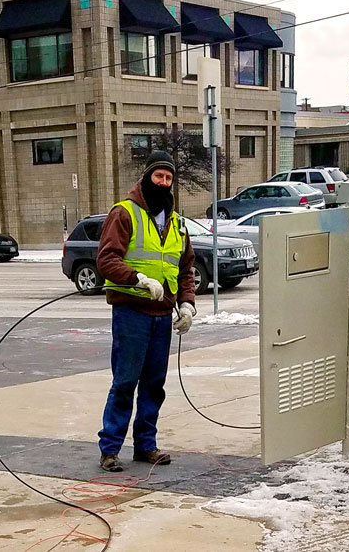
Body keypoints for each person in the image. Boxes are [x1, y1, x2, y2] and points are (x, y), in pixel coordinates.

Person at [95, 150, 196, 473]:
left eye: (168, 178)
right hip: (131, 313)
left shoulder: (177, 224)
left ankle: (145, 446)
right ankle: (110, 449)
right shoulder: (125, 213)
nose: (164, 183)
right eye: (159, 177)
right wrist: (137, 279)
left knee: (154, 384)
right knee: (125, 382)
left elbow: (186, 268)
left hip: (162, 317)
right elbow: (107, 260)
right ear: (147, 178)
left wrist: (187, 304)